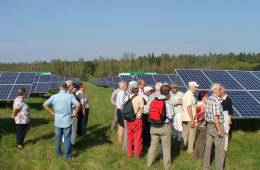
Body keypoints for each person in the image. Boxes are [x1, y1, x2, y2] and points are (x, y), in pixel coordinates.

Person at [42, 82, 80, 160]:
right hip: (67, 120)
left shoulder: (54, 96)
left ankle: (58, 154)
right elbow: (78, 104)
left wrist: (52, 113)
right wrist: (75, 114)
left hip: (58, 120)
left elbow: (45, 105)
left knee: (57, 138)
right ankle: (67, 156)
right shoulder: (69, 96)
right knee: (67, 138)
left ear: (59, 88)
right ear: (66, 88)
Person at [145, 85, 174, 169]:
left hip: (154, 125)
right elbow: (171, 115)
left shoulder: (153, 100)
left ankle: (149, 164)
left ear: (160, 91)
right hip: (164, 126)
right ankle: (167, 165)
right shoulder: (168, 102)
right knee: (166, 147)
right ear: (168, 92)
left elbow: (146, 110)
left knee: (153, 145)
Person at [203, 83, 225, 170]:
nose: (221, 91)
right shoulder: (216, 101)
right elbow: (215, 116)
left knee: (208, 147)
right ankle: (219, 168)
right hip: (217, 125)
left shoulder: (208, 100)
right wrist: (219, 130)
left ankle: (206, 167)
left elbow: (207, 113)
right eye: (219, 89)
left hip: (209, 125)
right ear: (214, 90)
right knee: (219, 149)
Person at [124, 82, 144, 157]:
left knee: (129, 139)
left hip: (128, 120)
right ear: (137, 89)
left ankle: (129, 154)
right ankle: (136, 155)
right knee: (137, 139)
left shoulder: (127, 97)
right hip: (137, 120)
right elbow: (142, 111)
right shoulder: (139, 98)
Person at [180, 81, 199, 153]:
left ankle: (182, 147)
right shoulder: (189, 95)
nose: (196, 88)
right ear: (190, 87)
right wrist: (192, 120)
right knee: (192, 135)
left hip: (185, 117)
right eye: (195, 87)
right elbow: (189, 107)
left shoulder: (186, 94)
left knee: (185, 133)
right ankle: (190, 150)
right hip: (189, 117)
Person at [122, 81, 137, 150]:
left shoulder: (125, 93)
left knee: (127, 131)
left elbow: (123, 105)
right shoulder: (131, 93)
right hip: (132, 115)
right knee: (132, 132)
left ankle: (126, 147)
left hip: (126, 114)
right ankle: (131, 148)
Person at [193, 90, 208, 159]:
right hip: (203, 125)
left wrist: (196, 122)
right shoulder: (203, 105)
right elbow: (201, 115)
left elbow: (196, 115)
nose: (207, 97)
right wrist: (198, 123)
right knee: (202, 142)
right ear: (203, 97)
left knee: (198, 140)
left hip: (198, 125)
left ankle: (195, 155)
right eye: (206, 96)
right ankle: (200, 157)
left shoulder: (198, 104)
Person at [62, 81, 77, 145]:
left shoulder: (71, 94)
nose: (73, 87)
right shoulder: (67, 95)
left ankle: (71, 141)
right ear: (68, 87)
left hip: (72, 112)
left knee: (72, 128)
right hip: (69, 113)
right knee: (68, 128)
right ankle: (68, 143)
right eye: (72, 86)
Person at [220, 86, 233, 151]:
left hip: (225, 116)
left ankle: (225, 147)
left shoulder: (228, 99)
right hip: (219, 117)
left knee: (225, 131)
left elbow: (230, 110)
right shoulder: (218, 99)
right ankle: (219, 146)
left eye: (220, 91)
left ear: (222, 92)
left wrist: (230, 119)